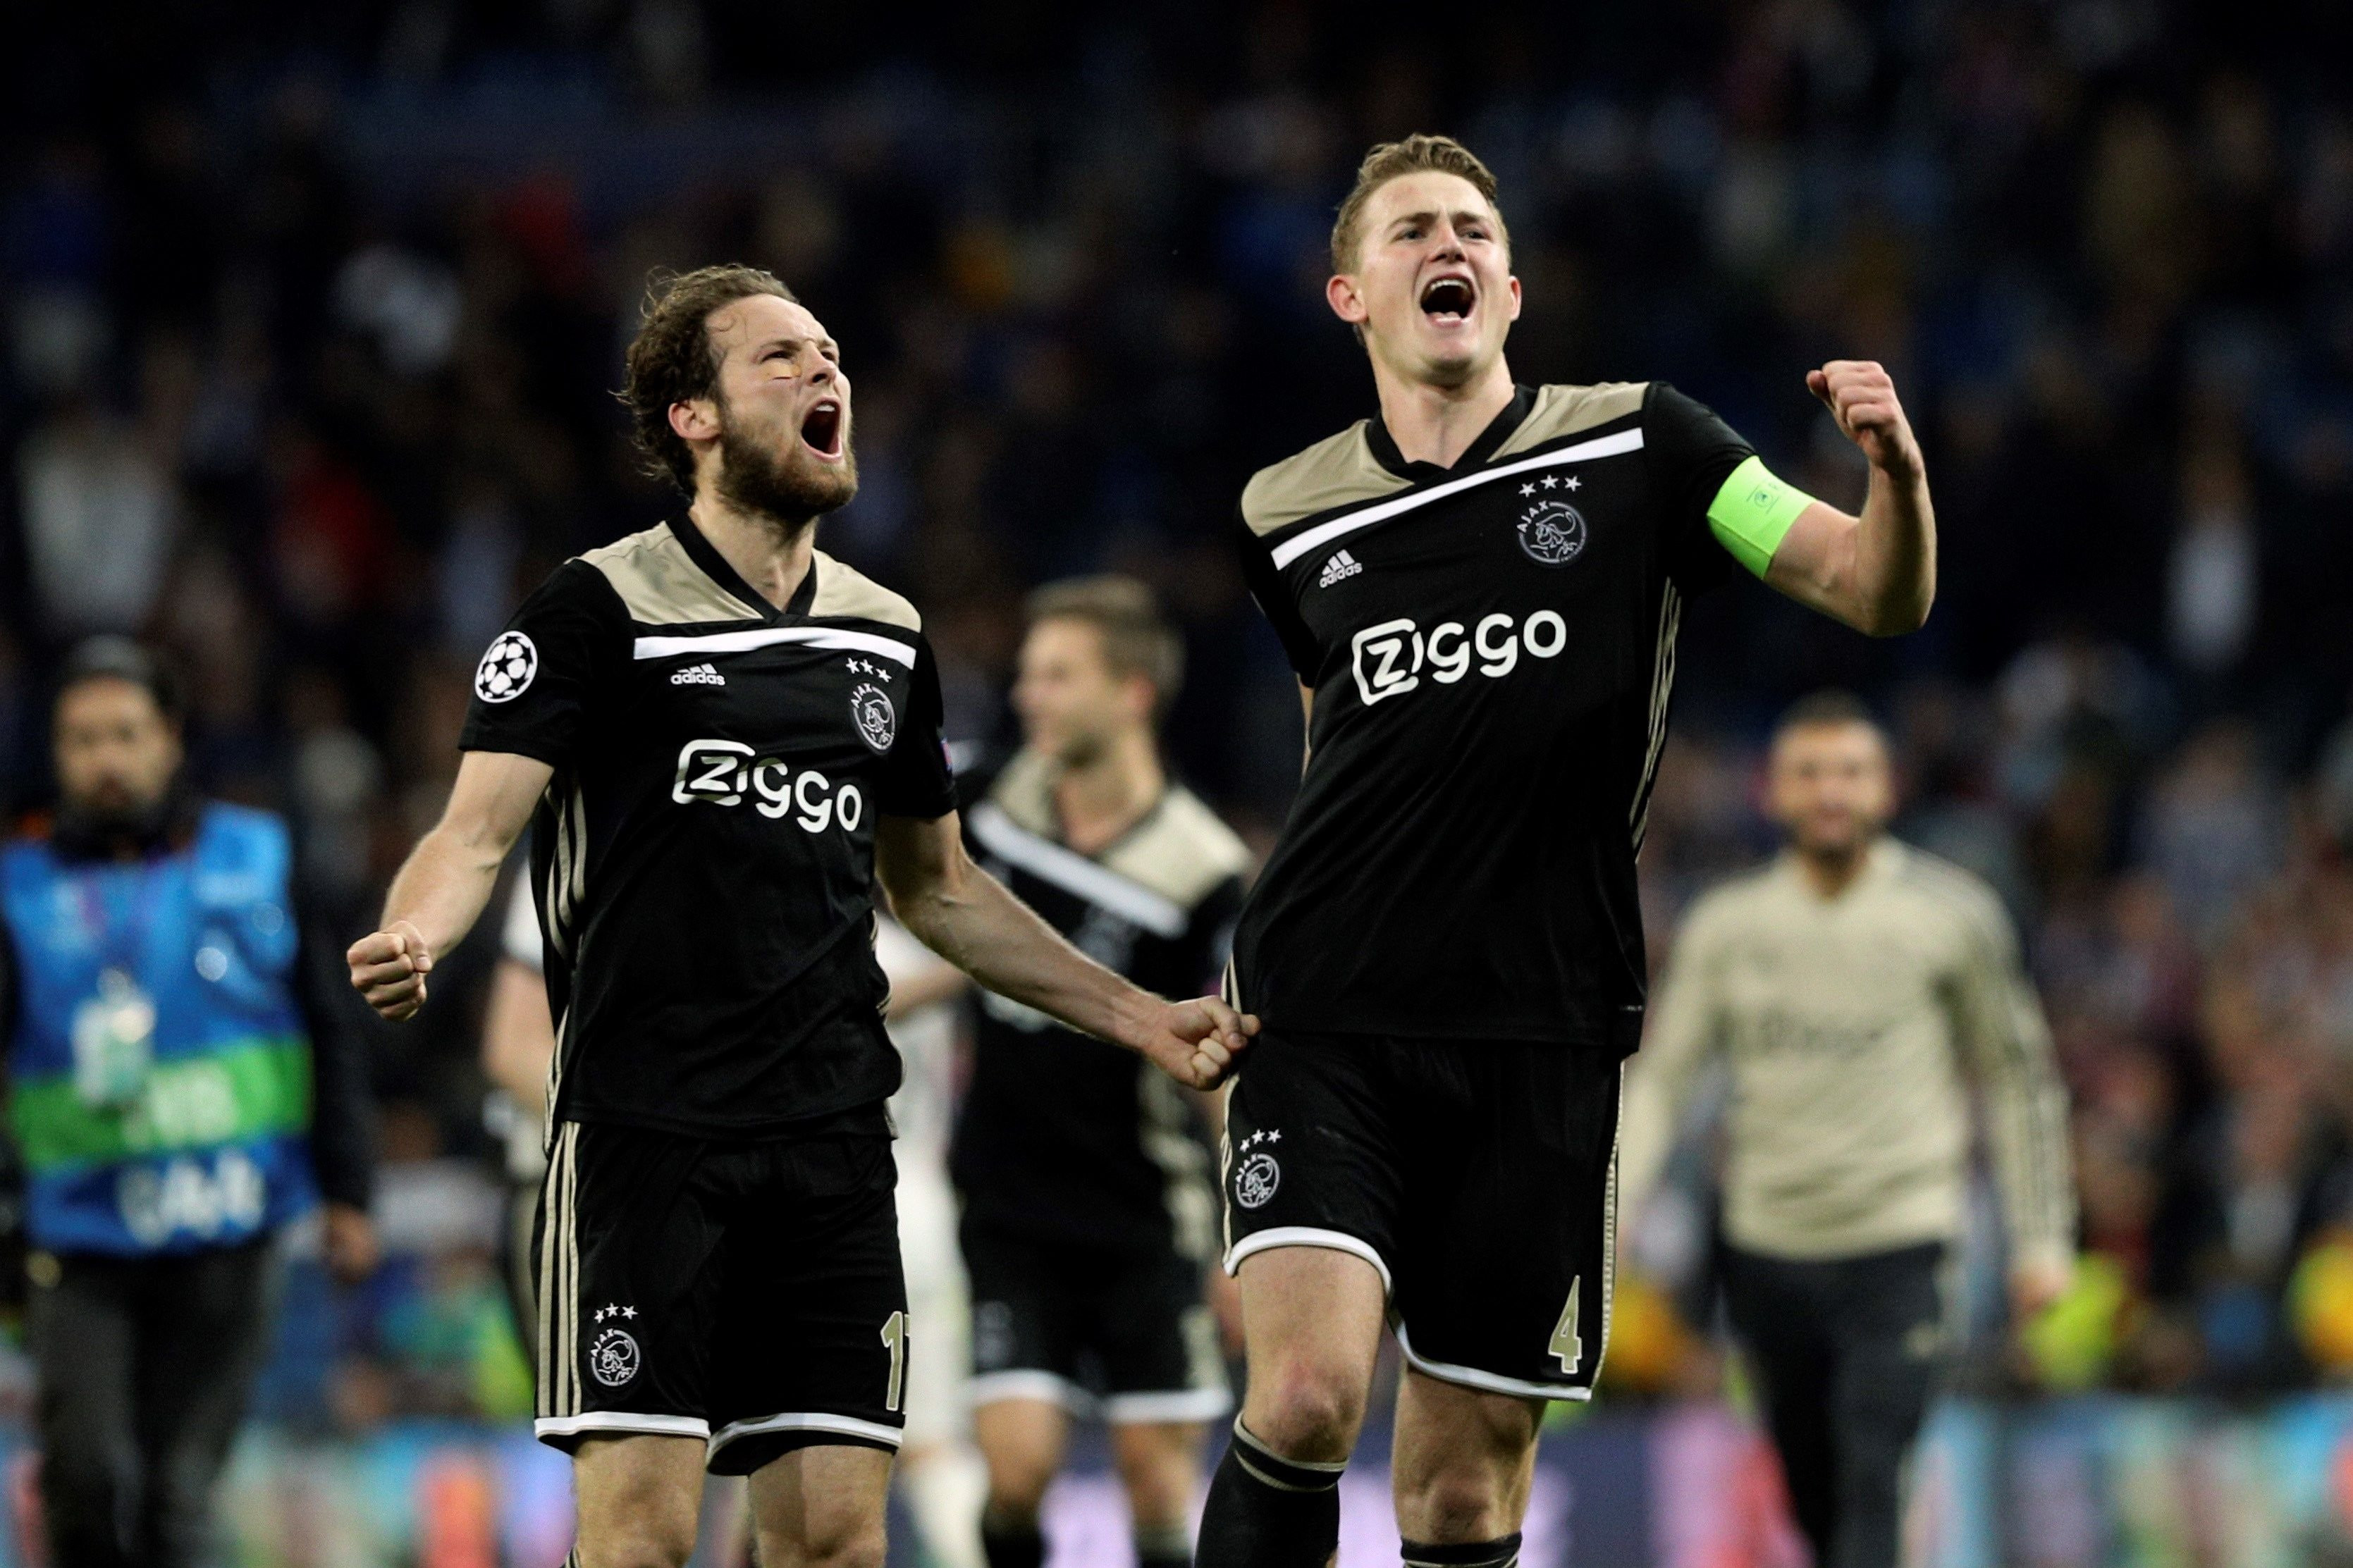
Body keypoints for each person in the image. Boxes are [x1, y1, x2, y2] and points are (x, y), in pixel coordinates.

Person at [346, 264, 1253, 1568]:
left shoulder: (885, 638)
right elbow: (473, 830)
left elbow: (937, 888)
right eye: (778, 358)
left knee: (834, 1536)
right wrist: (419, 928)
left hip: (832, 1137)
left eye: (830, 353)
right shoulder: (597, 611)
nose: (825, 373)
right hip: (644, 1136)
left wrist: (1143, 1020)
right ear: (692, 418)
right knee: (646, 1538)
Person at [1205, 134, 1936, 1568]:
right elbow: (1334, 741)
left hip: (1537, 1021)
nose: (1446, 248)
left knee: (1463, 1492)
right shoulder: (1280, 514)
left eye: (1471, 228)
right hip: (1325, 1008)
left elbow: (1868, 588)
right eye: (1411, 230)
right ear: (1350, 292)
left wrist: (1895, 472)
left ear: (1514, 289)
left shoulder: (1647, 444)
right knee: (1299, 1393)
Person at [1619, 692, 2075, 1568]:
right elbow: (1666, 1076)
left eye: (1850, 773)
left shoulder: (1951, 917)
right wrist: (1622, 1202)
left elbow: (2018, 1079)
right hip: (1770, 1243)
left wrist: (2040, 1235)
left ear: (1886, 790)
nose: (1830, 792)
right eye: (1809, 773)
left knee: (1874, 1464)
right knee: (1810, 1482)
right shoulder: (1729, 927)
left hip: (1900, 1237)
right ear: (1771, 792)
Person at [0, 636, 377, 1568]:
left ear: (170, 738)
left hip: (232, 1226)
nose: (106, 758)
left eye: (125, 733)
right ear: (55, 751)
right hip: (77, 1236)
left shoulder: (261, 857)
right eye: (82, 738)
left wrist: (350, 1192)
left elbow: (330, 1028)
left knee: (179, 1496)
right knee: (87, 1478)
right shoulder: (15, 887)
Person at [952, 578, 1249, 1568]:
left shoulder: (1202, 871)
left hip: (1143, 1217)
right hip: (1006, 1210)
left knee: (1157, 1484)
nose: (1027, 694)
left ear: (1131, 693)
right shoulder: (989, 802)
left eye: (1055, 674)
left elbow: (1225, 1068)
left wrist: (1238, 1241)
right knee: (1015, 1472)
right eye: (1027, 673)